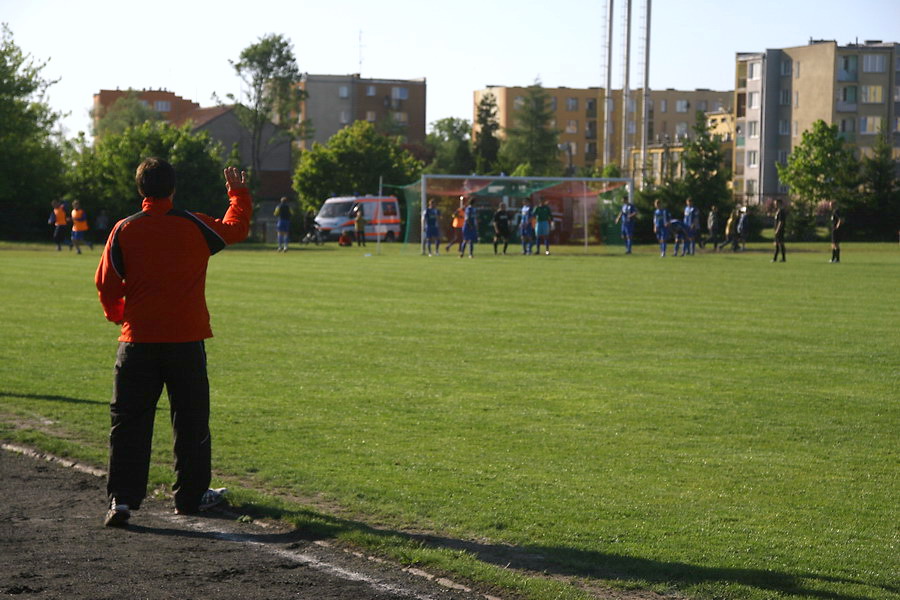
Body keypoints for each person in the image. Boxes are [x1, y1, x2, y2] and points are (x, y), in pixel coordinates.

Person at [95, 158, 252, 527]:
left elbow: (106, 283)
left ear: (140, 190)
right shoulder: (193, 225)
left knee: (129, 423)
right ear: (173, 188)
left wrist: (117, 313)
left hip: (137, 342)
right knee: (191, 420)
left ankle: (122, 500)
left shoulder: (124, 229)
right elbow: (237, 227)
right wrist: (237, 194)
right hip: (185, 339)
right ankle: (190, 496)